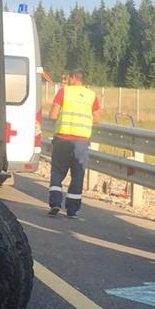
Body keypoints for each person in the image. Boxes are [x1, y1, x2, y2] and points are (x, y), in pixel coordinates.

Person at [47, 68, 101, 219]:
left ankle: (55, 203)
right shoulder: (91, 95)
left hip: (63, 138)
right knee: (78, 174)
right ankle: (72, 210)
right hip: (81, 141)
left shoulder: (64, 92)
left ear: (72, 78)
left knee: (57, 171)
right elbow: (97, 118)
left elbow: (52, 114)